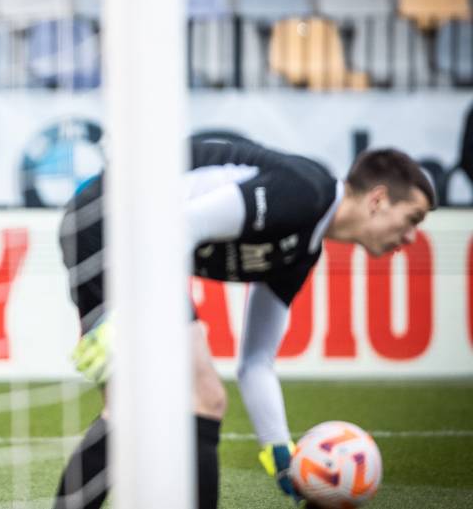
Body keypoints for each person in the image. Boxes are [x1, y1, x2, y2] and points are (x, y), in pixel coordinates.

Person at [53, 136, 435, 509]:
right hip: (111, 223)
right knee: (204, 396)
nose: (410, 237)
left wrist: (280, 452)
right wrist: (143, 313)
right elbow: (179, 227)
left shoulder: (303, 251)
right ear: (378, 199)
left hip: (106, 231)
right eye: (412, 219)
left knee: (128, 411)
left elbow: (256, 363)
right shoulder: (306, 193)